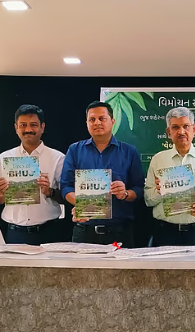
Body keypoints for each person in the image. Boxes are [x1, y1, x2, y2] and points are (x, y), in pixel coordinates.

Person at [60, 101, 143, 245]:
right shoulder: (75, 150)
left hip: (119, 232)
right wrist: (81, 204)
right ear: (87, 123)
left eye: (102, 118)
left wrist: (125, 194)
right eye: (92, 119)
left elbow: (139, 189)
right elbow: (66, 186)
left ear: (112, 121)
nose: (97, 123)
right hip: (84, 231)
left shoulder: (129, 152)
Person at [145, 107, 195, 246]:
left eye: (186, 126)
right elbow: (148, 200)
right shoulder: (158, 160)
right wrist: (159, 192)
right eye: (175, 127)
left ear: (194, 129)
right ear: (169, 132)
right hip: (165, 233)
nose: (181, 132)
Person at [0, 105, 65, 244]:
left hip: (48, 232)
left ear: (42, 127)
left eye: (34, 125)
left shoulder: (58, 158)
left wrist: (49, 192)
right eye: (23, 125)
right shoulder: (5, 157)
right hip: (15, 233)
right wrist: (2, 192)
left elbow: (66, 197)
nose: (28, 129)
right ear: (16, 128)